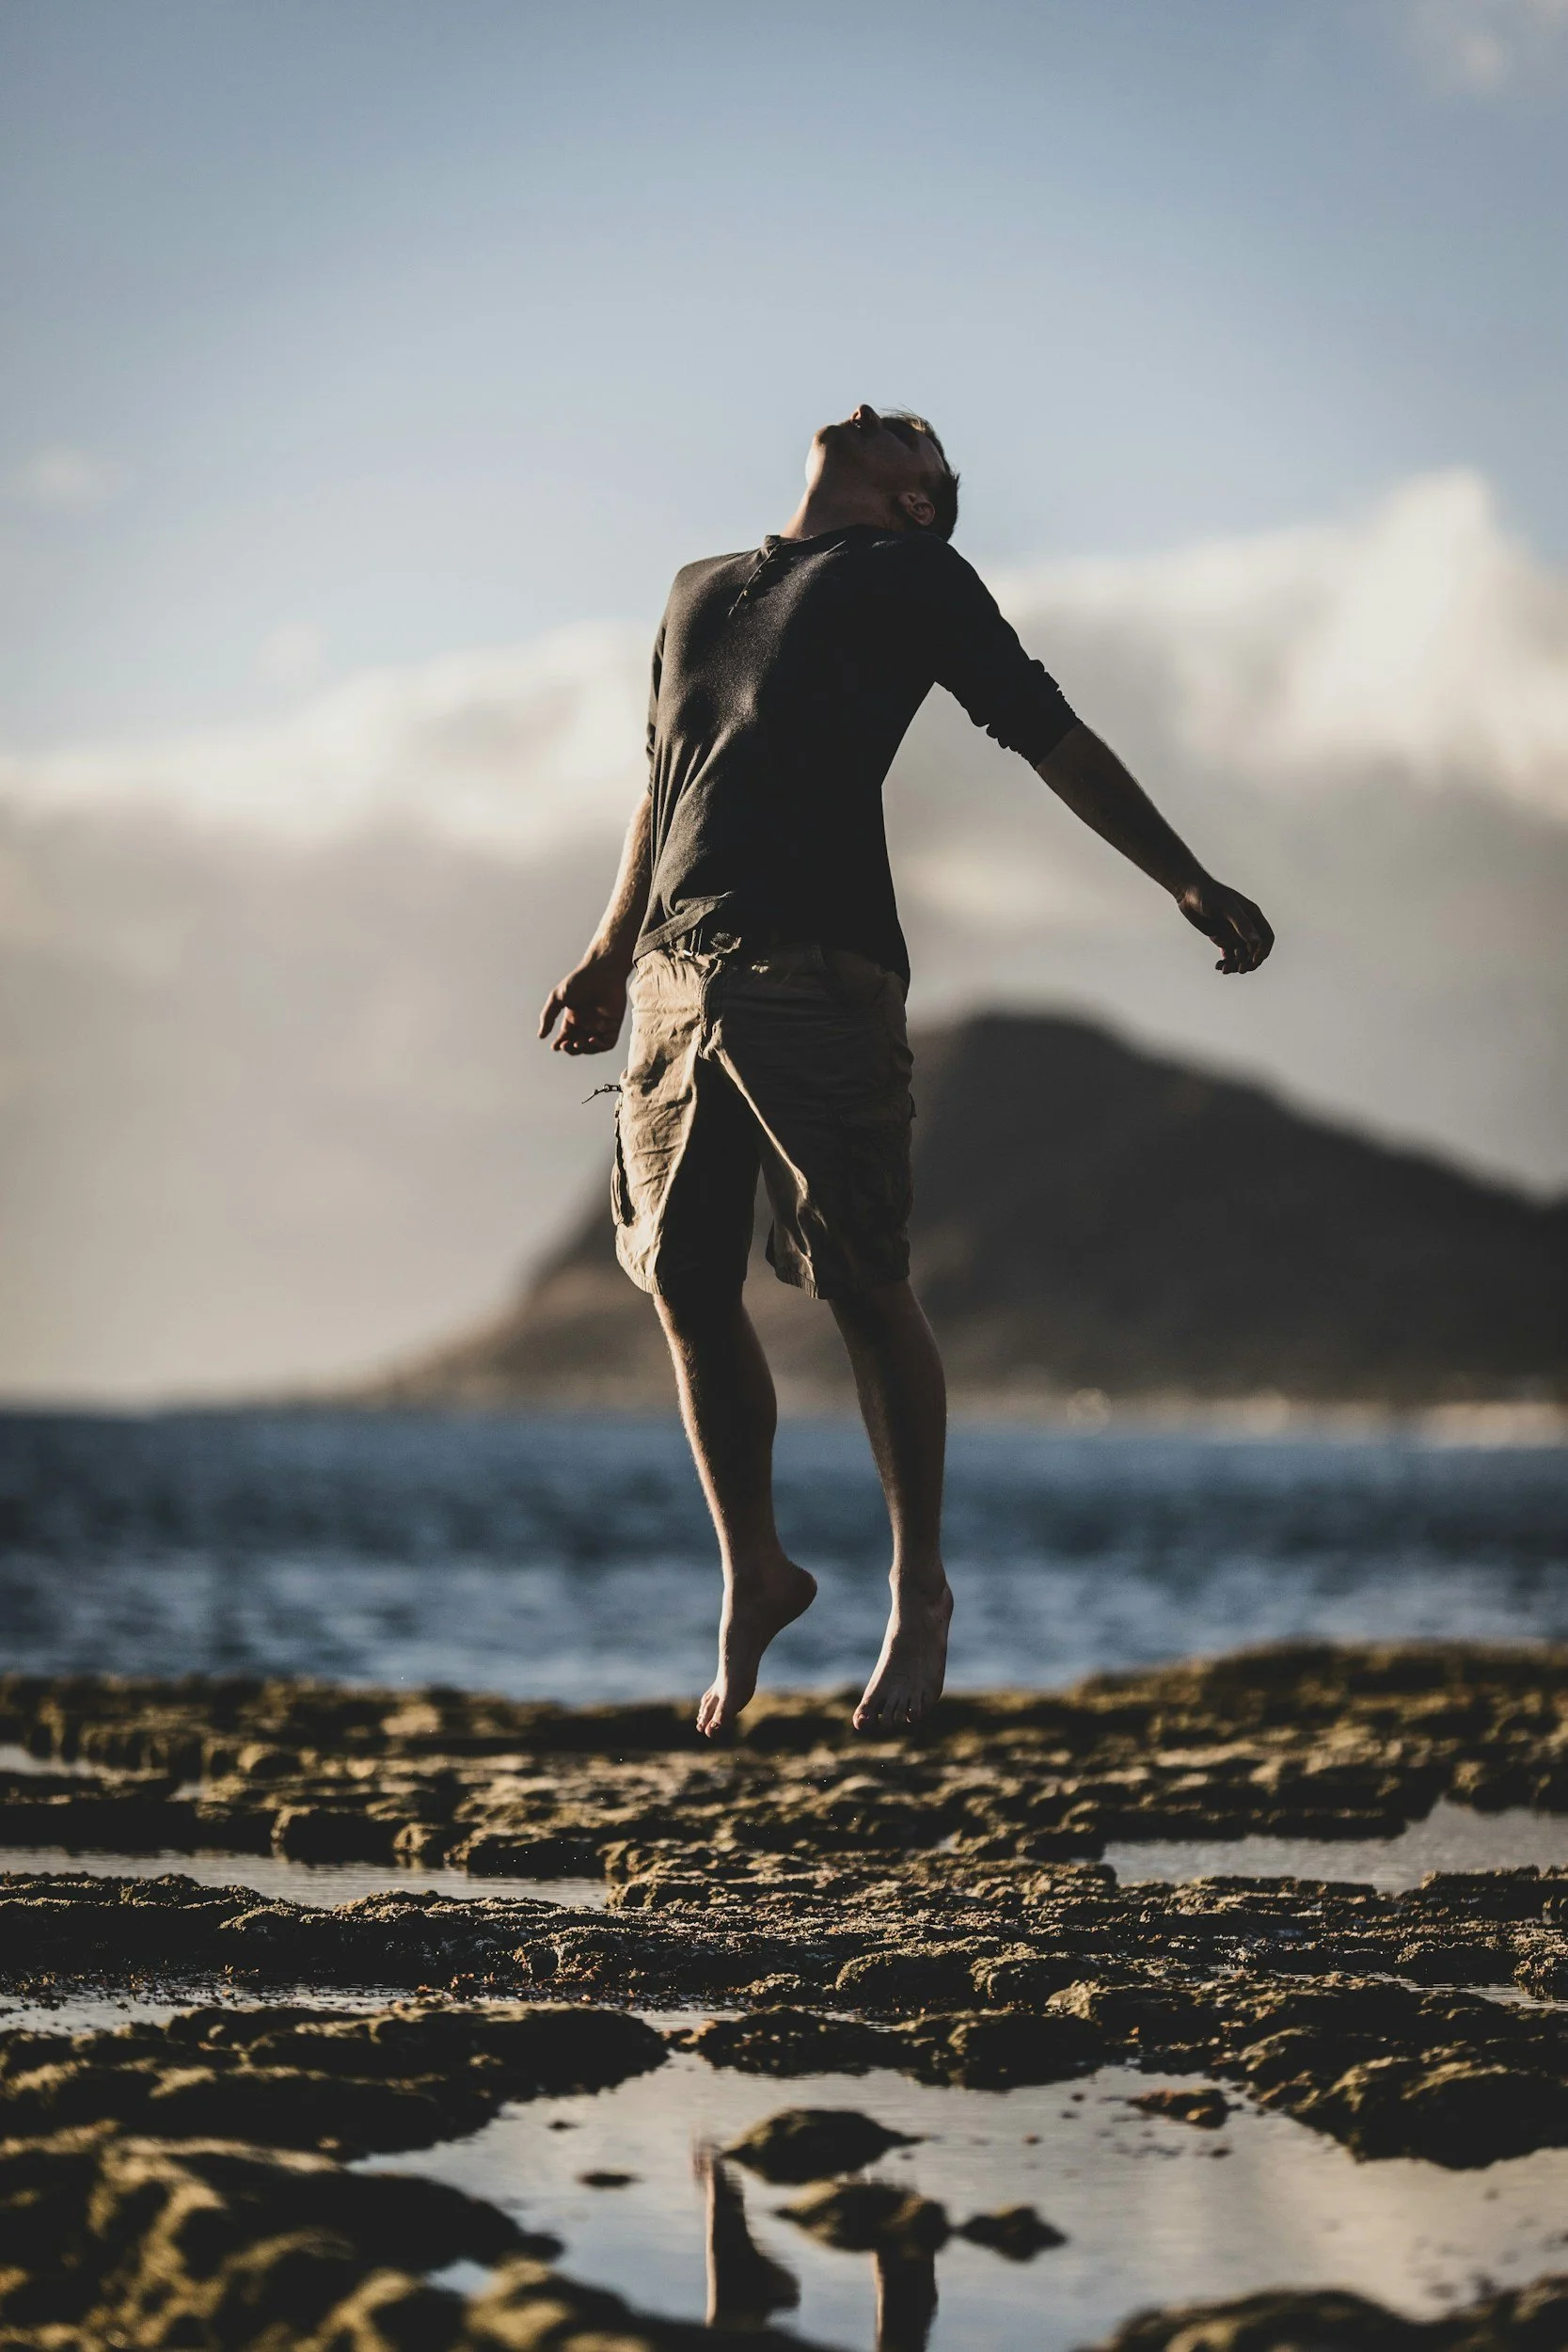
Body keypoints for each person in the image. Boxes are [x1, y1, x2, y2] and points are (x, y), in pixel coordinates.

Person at [539, 405, 1273, 1740]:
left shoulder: (910, 578)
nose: (895, 419)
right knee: (685, 1280)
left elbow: (1046, 731)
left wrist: (1182, 875)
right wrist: (603, 951)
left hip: (819, 969)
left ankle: (917, 1596)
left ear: (916, 502)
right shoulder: (698, 585)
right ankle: (755, 1571)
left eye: (922, 442)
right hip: (668, 982)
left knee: (863, 1281)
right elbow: (664, 773)